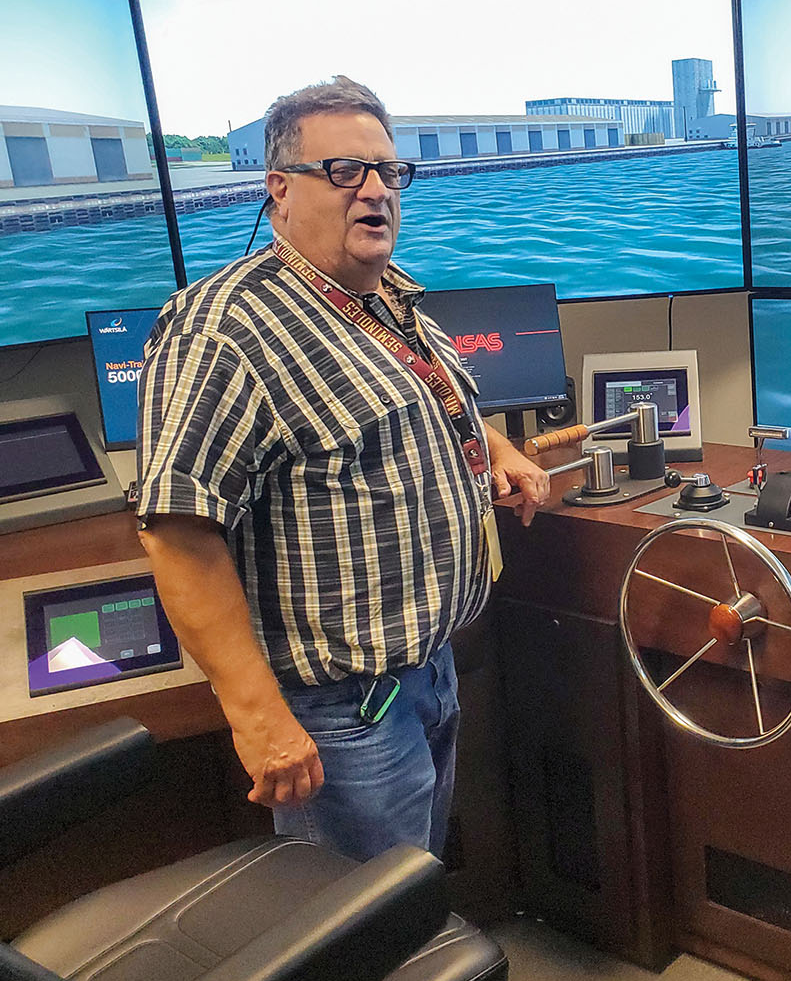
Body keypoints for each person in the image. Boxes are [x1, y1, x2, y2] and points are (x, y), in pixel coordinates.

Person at [136, 76, 550, 862]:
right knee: (361, 942)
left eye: (389, 172)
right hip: (339, 712)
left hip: (427, 674)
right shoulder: (224, 329)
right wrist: (258, 716)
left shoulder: (383, 298)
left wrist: (495, 448)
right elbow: (178, 532)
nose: (376, 191)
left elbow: (424, 406)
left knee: (411, 894)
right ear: (279, 189)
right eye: (346, 171)